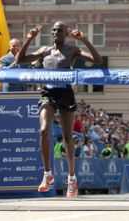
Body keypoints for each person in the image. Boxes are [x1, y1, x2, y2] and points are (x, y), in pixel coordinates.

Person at [15, 21, 102, 198]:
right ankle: (47, 174)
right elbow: (19, 60)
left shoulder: (72, 50)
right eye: (54, 30)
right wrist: (29, 39)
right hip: (48, 92)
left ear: (65, 34)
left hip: (65, 93)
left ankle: (71, 179)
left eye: (59, 30)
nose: (55, 32)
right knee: (43, 130)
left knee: (67, 137)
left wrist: (84, 39)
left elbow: (97, 61)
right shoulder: (45, 51)